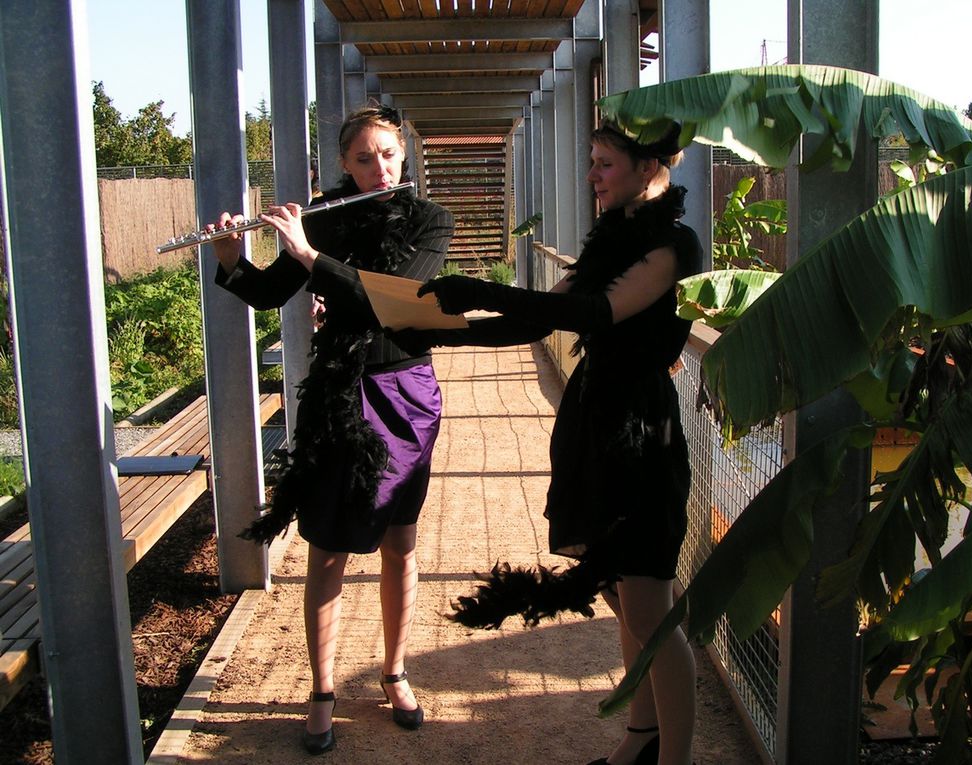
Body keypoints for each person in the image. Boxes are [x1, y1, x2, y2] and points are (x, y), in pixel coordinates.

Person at [392, 119, 701, 765]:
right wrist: (441, 334)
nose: (591, 175)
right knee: (622, 593)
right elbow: (534, 315)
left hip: (640, 435)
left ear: (649, 167)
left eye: (604, 163)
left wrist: (475, 289)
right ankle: (639, 744)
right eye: (590, 161)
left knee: (648, 605)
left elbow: (593, 314)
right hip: (595, 426)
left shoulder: (672, 245)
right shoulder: (608, 244)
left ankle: (674, 758)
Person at [206, 103, 454, 756]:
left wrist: (311, 255)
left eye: (389, 154)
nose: (380, 167)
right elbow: (265, 294)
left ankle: (395, 671)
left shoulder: (429, 220)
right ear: (343, 163)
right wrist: (234, 258)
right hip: (337, 397)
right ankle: (321, 689)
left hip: (405, 395)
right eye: (364, 157)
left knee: (401, 540)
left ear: (404, 156)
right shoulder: (327, 215)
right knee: (329, 545)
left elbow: (393, 295)